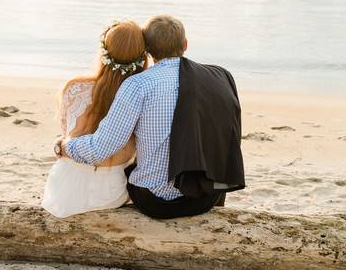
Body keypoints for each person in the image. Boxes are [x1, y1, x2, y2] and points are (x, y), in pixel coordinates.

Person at [56, 15, 244, 220]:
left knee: (131, 170)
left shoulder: (138, 85)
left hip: (157, 202)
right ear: (186, 44)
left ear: (148, 51)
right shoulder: (221, 76)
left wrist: (64, 146)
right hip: (207, 197)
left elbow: (101, 149)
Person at [41, 21, 147, 218]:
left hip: (65, 188)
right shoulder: (143, 97)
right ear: (143, 57)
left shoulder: (75, 87)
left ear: (103, 53)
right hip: (110, 193)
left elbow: (65, 133)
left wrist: (59, 146)